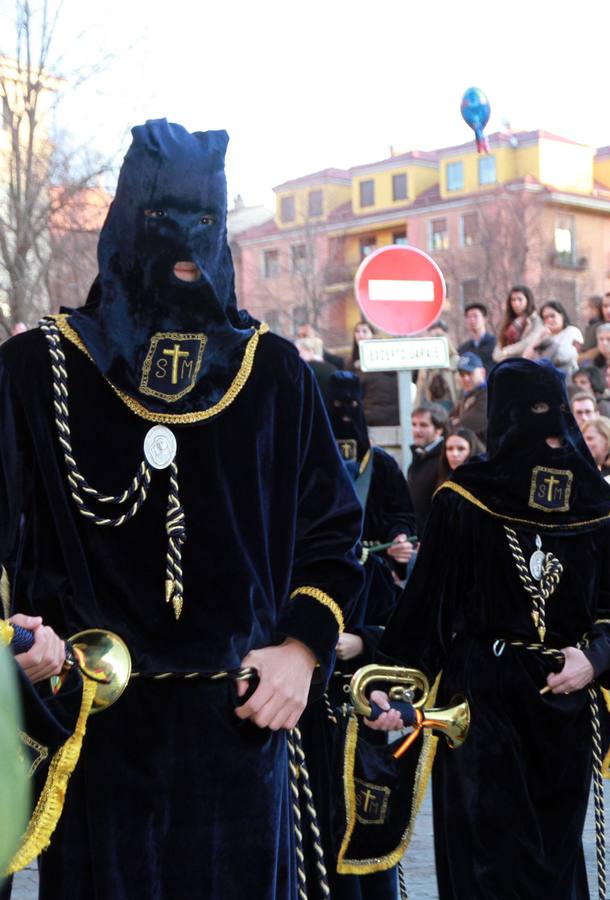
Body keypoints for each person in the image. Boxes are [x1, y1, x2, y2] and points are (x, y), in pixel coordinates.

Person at [0, 119, 364, 896]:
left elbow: (331, 535)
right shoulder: (37, 371)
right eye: (163, 219)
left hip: (243, 738)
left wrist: (303, 650)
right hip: (94, 744)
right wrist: (22, 638)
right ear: (127, 220)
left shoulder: (275, 375)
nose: (185, 246)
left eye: (204, 221)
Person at [368, 358, 610, 898]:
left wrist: (597, 656)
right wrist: (395, 687)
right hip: (482, 707)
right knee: (488, 854)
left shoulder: (597, 501)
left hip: (561, 703)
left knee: (548, 856)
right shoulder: (466, 497)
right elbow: (428, 610)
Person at [305, 371, 415, 900]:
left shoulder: (385, 466)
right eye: (337, 403)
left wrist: (397, 544)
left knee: (365, 791)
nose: (346, 411)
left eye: (354, 403)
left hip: (369, 603)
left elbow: (403, 519)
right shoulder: (302, 467)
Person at [351, 320, 401, 430]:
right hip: (394, 418)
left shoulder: (367, 368)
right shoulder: (397, 368)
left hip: (371, 419)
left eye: (364, 331)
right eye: (357, 331)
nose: (360, 335)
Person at [408, 403, 449, 533]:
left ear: (439, 429)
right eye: (414, 424)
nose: (417, 430)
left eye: (423, 425)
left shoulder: (446, 459)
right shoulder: (419, 455)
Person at [525, 300, 583, 374]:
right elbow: (526, 358)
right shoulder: (544, 336)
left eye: (552, 316)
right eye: (545, 318)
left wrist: (539, 356)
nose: (549, 320)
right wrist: (539, 338)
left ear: (561, 315)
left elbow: (562, 356)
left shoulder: (572, 331)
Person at [493, 284, 543, 361]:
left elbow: (529, 342)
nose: (516, 303)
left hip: (527, 362)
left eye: (520, 299)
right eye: (513, 300)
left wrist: (507, 351)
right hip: (507, 363)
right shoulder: (508, 322)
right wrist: (502, 355)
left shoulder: (535, 320)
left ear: (528, 300)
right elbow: (498, 350)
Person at [451, 352, 488, 445]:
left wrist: (457, 422)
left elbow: (472, 423)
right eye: (462, 374)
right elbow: (450, 418)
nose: (465, 378)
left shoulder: (489, 393)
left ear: (482, 372)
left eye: (469, 373)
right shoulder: (467, 394)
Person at [458, 302, 497, 371]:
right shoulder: (463, 349)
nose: (472, 319)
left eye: (475, 316)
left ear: (485, 319)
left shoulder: (495, 344)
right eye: (469, 317)